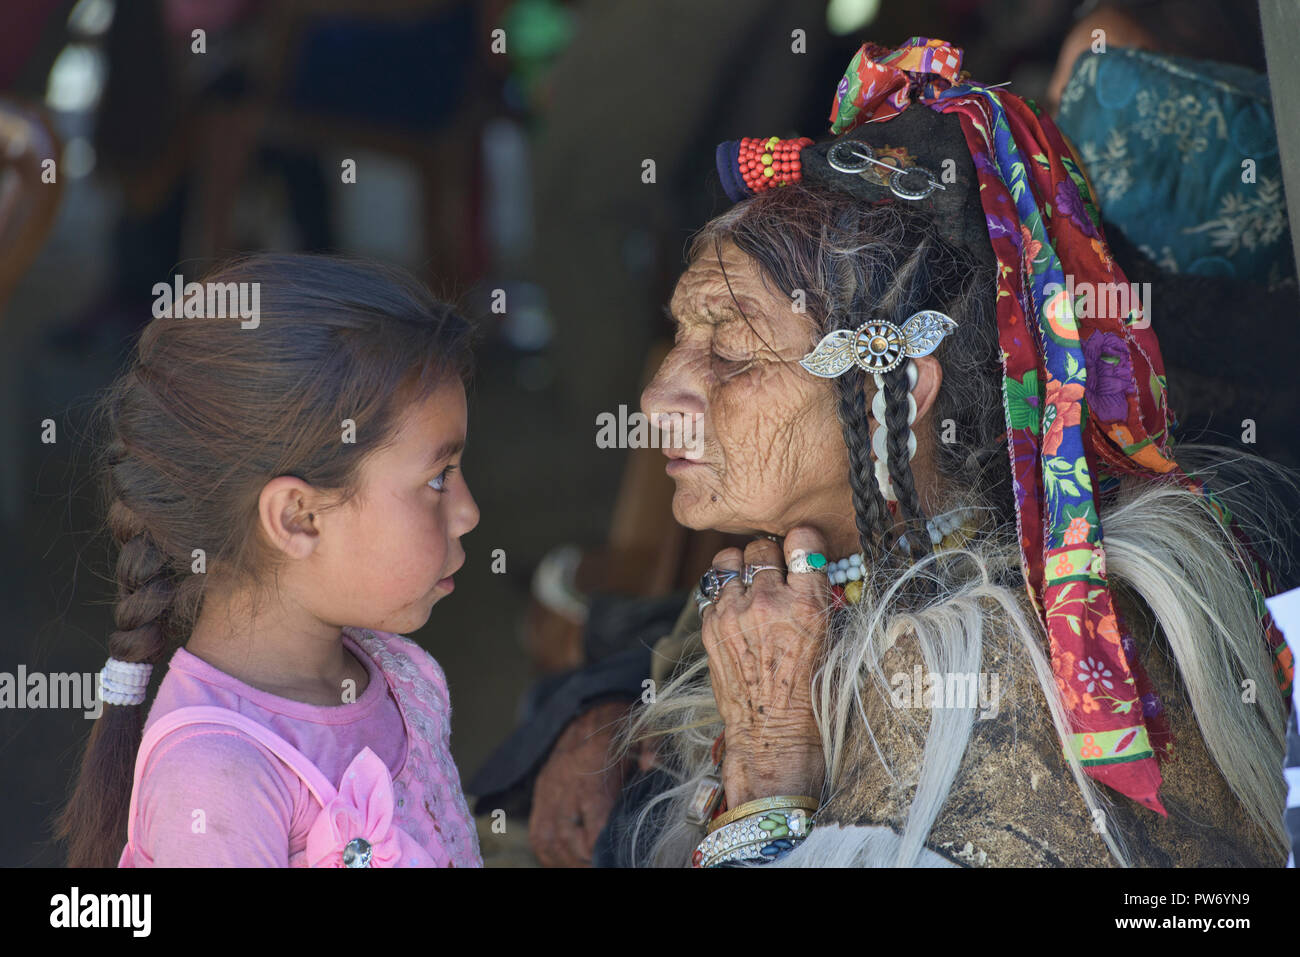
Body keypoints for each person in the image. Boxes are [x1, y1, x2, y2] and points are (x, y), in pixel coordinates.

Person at [612, 37, 1295, 867]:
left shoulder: (982, 672)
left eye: (732, 353)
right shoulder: (773, 594)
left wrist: (765, 777)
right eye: (681, 336)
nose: (659, 395)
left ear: (894, 387)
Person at [57, 254, 483, 868]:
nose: (468, 512)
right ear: (297, 518)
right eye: (439, 478)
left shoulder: (397, 675)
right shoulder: (215, 781)